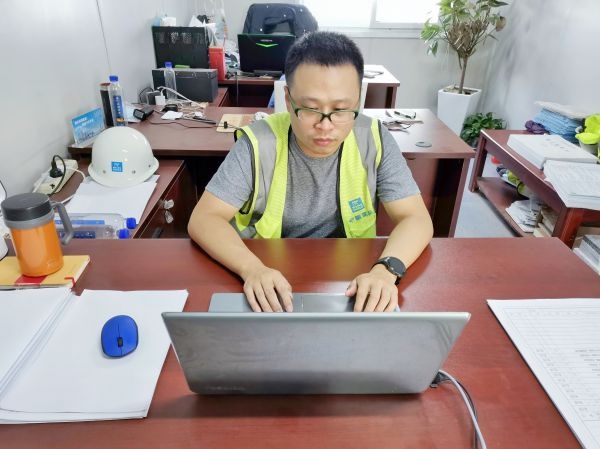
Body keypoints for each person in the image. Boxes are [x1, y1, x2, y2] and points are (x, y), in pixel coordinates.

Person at [188, 31, 433, 313]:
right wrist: (252, 269)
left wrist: (385, 271)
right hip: (269, 279)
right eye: (310, 109)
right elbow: (204, 219)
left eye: (341, 109)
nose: (325, 125)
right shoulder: (258, 143)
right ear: (288, 98)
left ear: (358, 101)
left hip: (351, 281)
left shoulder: (373, 138)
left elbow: (416, 218)